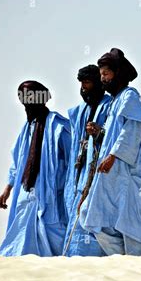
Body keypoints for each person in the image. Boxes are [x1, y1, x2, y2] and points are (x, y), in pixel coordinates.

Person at [77, 48, 141, 256]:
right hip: (113, 176)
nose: (102, 79)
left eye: (106, 74)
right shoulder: (116, 101)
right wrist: (100, 133)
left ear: (118, 73)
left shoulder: (130, 97)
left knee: (132, 226)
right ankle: (120, 257)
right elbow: (114, 134)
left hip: (130, 176)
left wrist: (113, 156)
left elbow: (132, 130)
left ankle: (137, 267)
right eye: (101, 74)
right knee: (90, 214)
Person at [0, 80, 71, 256]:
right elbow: (18, 161)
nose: (25, 104)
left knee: (53, 235)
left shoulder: (59, 126)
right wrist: (8, 188)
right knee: (21, 233)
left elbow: (72, 160)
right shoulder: (27, 129)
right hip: (26, 192)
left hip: (51, 194)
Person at [62, 65, 111, 256]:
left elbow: (116, 137)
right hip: (78, 176)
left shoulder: (110, 105)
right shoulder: (78, 112)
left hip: (99, 175)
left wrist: (100, 132)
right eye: (81, 83)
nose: (83, 87)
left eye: (88, 82)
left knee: (91, 219)